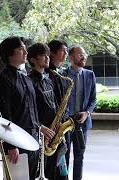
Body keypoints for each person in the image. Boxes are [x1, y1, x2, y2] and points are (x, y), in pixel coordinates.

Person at [0, 37, 55, 180]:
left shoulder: (26, 78)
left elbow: (32, 111)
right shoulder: (3, 80)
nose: (25, 52)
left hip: (33, 137)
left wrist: (40, 128)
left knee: (32, 176)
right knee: (18, 178)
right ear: (10, 53)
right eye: (21, 49)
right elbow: (5, 115)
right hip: (16, 140)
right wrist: (10, 145)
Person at [27, 42, 68, 180]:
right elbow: (30, 111)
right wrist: (41, 128)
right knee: (45, 172)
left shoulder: (49, 79)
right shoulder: (29, 81)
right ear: (33, 59)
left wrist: (60, 125)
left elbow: (55, 104)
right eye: (43, 56)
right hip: (41, 134)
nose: (47, 58)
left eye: (47, 55)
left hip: (54, 130)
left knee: (57, 172)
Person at [65, 45, 96, 180]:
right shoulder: (62, 74)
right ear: (71, 58)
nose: (83, 57)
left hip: (82, 122)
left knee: (79, 156)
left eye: (84, 54)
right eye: (80, 54)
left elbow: (94, 99)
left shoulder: (90, 75)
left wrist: (87, 113)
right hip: (65, 122)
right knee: (63, 156)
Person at [45, 40, 70, 179]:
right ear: (52, 53)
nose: (66, 54)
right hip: (51, 127)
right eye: (63, 51)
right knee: (52, 168)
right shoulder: (48, 75)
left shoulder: (60, 74)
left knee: (62, 165)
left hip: (60, 124)